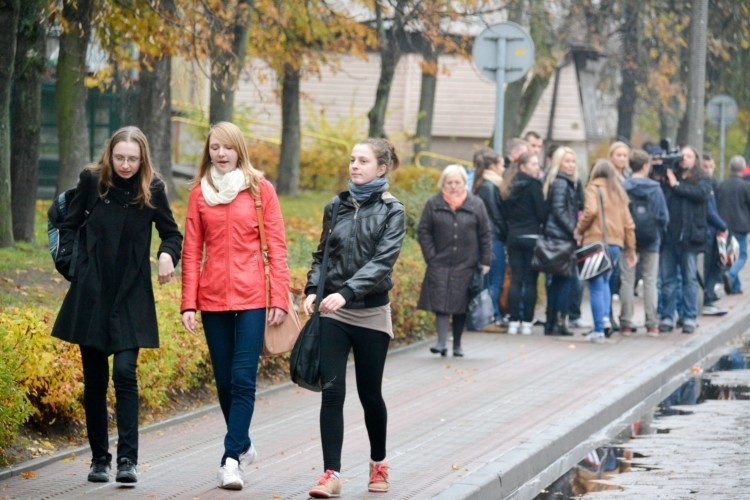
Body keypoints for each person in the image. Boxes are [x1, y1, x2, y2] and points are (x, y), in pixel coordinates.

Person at [52, 126, 183, 485]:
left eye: (132, 159)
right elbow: (67, 225)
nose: (125, 165)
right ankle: (99, 460)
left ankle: (127, 460)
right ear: (109, 155)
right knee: (95, 381)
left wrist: (167, 255)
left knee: (125, 374)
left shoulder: (152, 188)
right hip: (92, 295)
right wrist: (74, 267)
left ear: (143, 160)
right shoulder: (92, 181)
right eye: (120, 157)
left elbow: (172, 233)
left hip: (131, 294)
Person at [180, 121, 290, 490]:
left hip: (254, 296)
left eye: (227, 147)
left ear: (239, 149)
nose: (221, 154)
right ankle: (243, 443)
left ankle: (230, 459)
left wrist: (279, 297)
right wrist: (188, 304)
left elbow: (277, 247)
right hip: (212, 299)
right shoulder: (199, 193)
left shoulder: (260, 190)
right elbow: (192, 251)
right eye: (214, 148)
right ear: (208, 152)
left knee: (243, 380)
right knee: (225, 382)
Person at [303, 138, 406, 498]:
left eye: (363, 161)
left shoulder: (394, 211)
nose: (354, 166)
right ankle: (330, 474)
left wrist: (344, 292)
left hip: (372, 313)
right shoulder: (337, 206)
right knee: (331, 393)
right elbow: (322, 255)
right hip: (333, 312)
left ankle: (379, 462)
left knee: (369, 394)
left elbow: (382, 262)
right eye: (352, 159)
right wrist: (313, 289)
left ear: (381, 168)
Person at [418, 164, 491, 353]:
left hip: (467, 264)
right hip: (439, 262)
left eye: (457, 182)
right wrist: (431, 256)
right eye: (449, 182)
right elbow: (424, 231)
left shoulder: (476, 204)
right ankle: (441, 342)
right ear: (443, 183)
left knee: (461, 305)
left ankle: (457, 344)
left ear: (464, 183)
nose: (453, 186)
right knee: (441, 304)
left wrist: (485, 261)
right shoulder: (433, 204)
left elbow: (485, 234)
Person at [574, 159, 636, 343]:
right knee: (606, 283)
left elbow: (591, 211)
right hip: (615, 244)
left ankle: (599, 330)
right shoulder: (619, 192)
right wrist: (631, 250)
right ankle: (606, 319)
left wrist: (579, 229)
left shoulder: (593, 188)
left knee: (595, 286)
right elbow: (629, 224)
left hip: (596, 241)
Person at [658, 145, 712, 334]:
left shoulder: (703, 179)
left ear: (695, 159)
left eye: (689, 156)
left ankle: (689, 317)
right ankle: (667, 316)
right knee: (667, 280)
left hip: (690, 237)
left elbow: (699, 195)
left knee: (689, 279)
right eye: (682, 156)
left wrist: (677, 186)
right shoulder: (668, 177)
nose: (684, 159)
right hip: (669, 237)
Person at [620, 149, 669, 336]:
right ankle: (652, 323)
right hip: (651, 239)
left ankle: (626, 322)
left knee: (627, 280)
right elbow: (663, 216)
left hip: (628, 238)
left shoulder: (624, 186)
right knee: (650, 280)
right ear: (645, 166)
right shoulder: (655, 188)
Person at [501, 153, 547, 334]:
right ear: (523, 167)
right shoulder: (534, 186)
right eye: (534, 164)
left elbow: (504, 213)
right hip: (531, 236)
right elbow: (542, 213)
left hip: (513, 236)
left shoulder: (509, 186)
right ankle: (527, 321)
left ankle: (513, 321)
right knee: (530, 281)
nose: (537, 167)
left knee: (516, 279)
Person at [541, 146, 580, 336]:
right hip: (561, 237)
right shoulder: (562, 183)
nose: (571, 165)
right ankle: (559, 320)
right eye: (567, 161)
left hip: (557, 235)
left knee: (556, 281)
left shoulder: (558, 181)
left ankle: (552, 320)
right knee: (564, 279)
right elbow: (559, 210)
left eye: (573, 161)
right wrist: (574, 230)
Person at [471, 147, 507, 330]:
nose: (504, 168)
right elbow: (496, 215)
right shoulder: (489, 186)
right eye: (501, 164)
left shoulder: (482, 184)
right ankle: (489, 318)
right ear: (493, 166)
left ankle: (489, 317)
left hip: (487, 238)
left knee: (489, 280)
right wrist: (505, 233)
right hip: (493, 239)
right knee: (494, 280)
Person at [699, 153, 729, 315]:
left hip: (712, 229)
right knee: (710, 266)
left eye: (711, 167)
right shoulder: (705, 185)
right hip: (708, 230)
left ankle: (709, 295)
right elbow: (710, 210)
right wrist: (722, 226)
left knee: (715, 264)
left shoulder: (713, 183)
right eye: (705, 166)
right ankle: (707, 297)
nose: (709, 170)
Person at [717, 155, 750, 295]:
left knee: (730, 256)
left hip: (724, 225)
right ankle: (730, 275)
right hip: (741, 225)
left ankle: (734, 287)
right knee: (742, 255)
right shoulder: (746, 186)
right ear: (743, 169)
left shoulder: (722, 185)